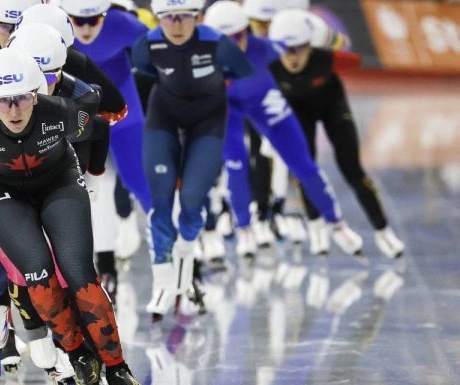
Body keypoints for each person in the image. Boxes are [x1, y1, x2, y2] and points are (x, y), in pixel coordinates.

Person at [0, 48, 145, 385]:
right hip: (1, 191)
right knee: (37, 273)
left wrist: (93, 176)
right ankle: (78, 355)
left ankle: (117, 367)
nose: (14, 110)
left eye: (23, 99)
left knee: (81, 276)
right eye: (4, 102)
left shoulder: (61, 114)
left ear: (37, 95)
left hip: (58, 182)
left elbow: (99, 126)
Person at [204, 1, 363, 258]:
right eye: (225, 39)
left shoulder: (265, 48)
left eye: (238, 36)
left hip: (264, 101)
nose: (234, 45)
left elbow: (334, 53)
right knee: (236, 166)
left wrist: (333, 49)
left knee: (303, 164)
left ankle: (336, 223)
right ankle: (244, 229)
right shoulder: (200, 57)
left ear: (247, 31)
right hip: (227, 109)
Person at [132, 0, 254, 320]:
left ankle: (186, 253)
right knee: (160, 197)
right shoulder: (148, 44)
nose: (176, 25)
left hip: (208, 122)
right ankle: (162, 281)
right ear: (158, 20)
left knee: (191, 199)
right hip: (164, 118)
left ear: (197, 18)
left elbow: (243, 70)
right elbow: (144, 69)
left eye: (184, 18)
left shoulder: (217, 43)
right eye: (168, 18)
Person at [269, 10, 405, 258]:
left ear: (310, 45)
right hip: (299, 112)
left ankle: (383, 230)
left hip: (332, 106)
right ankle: (316, 226)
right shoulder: (270, 64)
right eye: (285, 49)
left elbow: (354, 58)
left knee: (352, 168)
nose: (292, 57)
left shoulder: (326, 59)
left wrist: (329, 37)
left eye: (299, 48)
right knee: (304, 168)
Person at [60, 0, 151, 263]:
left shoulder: (122, 23)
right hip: (81, 120)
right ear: (66, 17)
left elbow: (157, 48)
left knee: (138, 182)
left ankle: (175, 250)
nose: (86, 28)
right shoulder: (53, 28)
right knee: (94, 186)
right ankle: (106, 259)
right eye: (78, 21)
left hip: (126, 116)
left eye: (94, 20)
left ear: (105, 15)